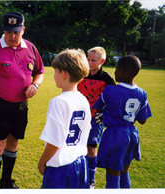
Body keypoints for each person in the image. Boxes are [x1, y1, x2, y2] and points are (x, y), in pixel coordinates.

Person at [0, 11, 45, 189]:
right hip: (0, 104)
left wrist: (35, 85)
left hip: (21, 105)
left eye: (16, 32)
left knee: (13, 142)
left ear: (23, 30)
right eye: (9, 32)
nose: (13, 36)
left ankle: (6, 182)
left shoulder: (30, 48)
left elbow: (40, 72)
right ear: (3, 31)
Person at [93, 55, 152, 188]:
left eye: (117, 68)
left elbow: (97, 109)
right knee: (125, 172)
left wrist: (106, 116)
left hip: (115, 135)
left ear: (123, 71)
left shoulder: (110, 90)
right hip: (132, 134)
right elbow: (142, 120)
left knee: (113, 175)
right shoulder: (142, 93)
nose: (114, 71)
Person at [38, 49, 91, 188]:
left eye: (55, 71)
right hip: (80, 164)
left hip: (61, 168)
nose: (54, 75)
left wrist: (42, 162)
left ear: (64, 74)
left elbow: (55, 141)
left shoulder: (58, 102)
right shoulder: (83, 100)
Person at [77, 46, 115, 188]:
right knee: (78, 145)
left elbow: (112, 99)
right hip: (79, 116)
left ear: (102, 61)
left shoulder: (107, 79)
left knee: (91, 146)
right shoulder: (81, 74)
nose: (89, 62)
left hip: (96, 118)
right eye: (88, 59)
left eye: (93, 60)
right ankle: (80, 174)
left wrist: (104, 113)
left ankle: (91, 179)